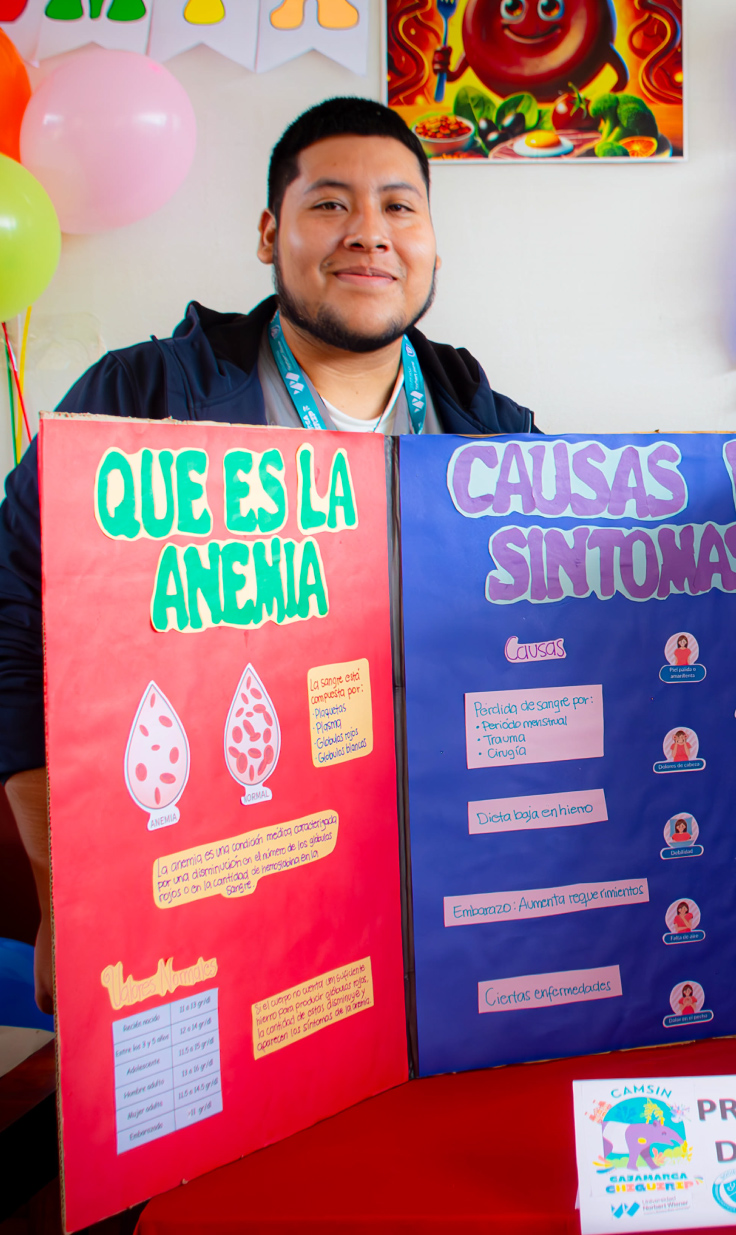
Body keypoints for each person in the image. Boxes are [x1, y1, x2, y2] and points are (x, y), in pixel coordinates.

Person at [0, 96, 537, 1015]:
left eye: (400, 207)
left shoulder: (494, 435)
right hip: (207, 871)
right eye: (330, 203)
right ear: (268, 232)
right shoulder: (141, 401)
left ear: (434, 244)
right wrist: (68, 895)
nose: (369, 233)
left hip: (439, 888)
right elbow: (19, 634)